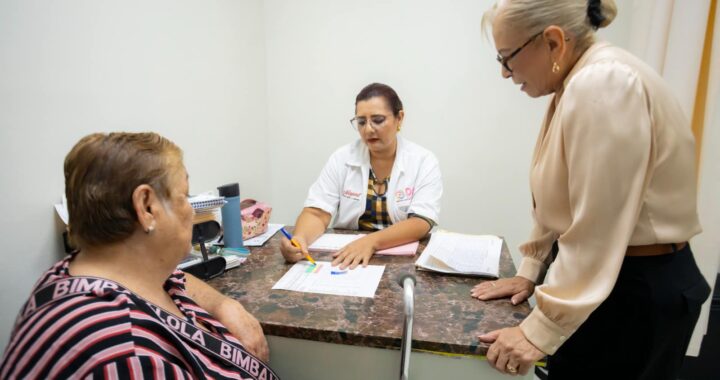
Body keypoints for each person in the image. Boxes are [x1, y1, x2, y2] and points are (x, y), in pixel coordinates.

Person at [470, 1, 711, 378]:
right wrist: (532, 268)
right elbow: (562, 199)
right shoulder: (579, 81)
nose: (505, 73)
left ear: (552, 42)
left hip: (636, 288)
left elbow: (597, 225)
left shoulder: (604, 82)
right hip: (617, 279)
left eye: (508, 57)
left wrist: (539, 330)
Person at [0, 132, 277, 379]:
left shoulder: (84, 273)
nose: (191, 211)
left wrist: (222, 304)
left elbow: (179, 279)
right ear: (146, 207)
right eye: (184, 196)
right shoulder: (127, 355)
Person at [280, 83, 442, 269]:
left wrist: (371, 242)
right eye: (361, 122)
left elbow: (421, 222)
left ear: (400, 118)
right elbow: (317, 213)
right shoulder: (342, 158)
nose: (368, 129)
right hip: (348, 257)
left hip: (402, 261)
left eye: (378, 120)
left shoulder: (423, 161)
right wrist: (300, 238)